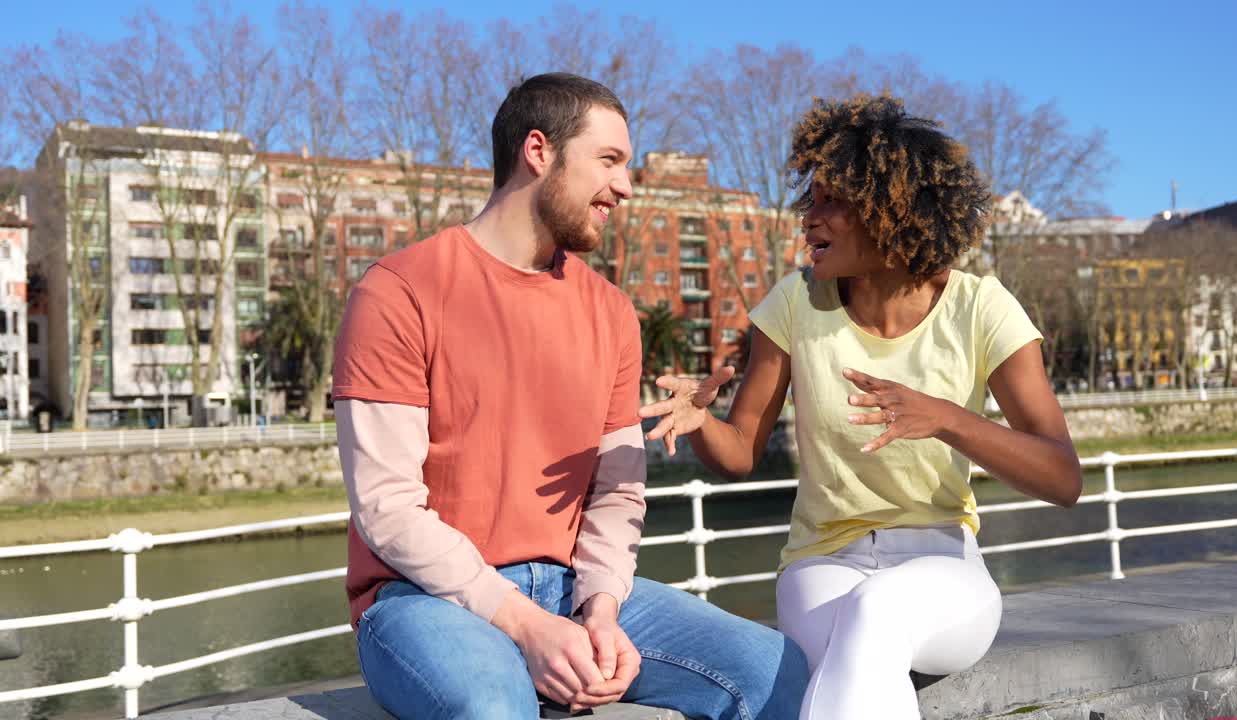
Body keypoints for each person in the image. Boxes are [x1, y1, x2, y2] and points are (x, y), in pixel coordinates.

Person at [332, 72, 808, 720]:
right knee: (493, 706)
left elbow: (617, 490)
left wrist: (603, 608)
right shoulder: (398, 292)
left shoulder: (610, 313)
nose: (626, 186)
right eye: (609, 161)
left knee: (776, 671)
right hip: (422, 598)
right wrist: (527, 628)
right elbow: (387, 507)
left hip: (570, 588)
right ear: (539, 152)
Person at [639, 94, 1083, 719]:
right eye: (809, 201)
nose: (809, 220)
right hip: (821, 565)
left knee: (875, 616)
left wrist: (948, 418)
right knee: (866, 651)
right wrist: (702, 422)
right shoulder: (793, 304)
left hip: (944, 563)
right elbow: (739, 454)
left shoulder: (981, 307)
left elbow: (1063, 477)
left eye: (831, 203)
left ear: (890, 211)